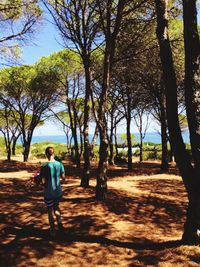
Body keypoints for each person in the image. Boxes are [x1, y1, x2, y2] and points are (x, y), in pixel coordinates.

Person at [40, 146, 65, 237]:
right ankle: (60, 225)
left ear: (46, 154)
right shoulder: (59, 164)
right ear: (53, 153)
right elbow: (63, 178)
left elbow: (42, 180)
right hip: (57, 191)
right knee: (57, 208)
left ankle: (52, 231)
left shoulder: (44, 166)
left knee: (50, 211)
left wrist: (43, 184)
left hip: (48, 192)